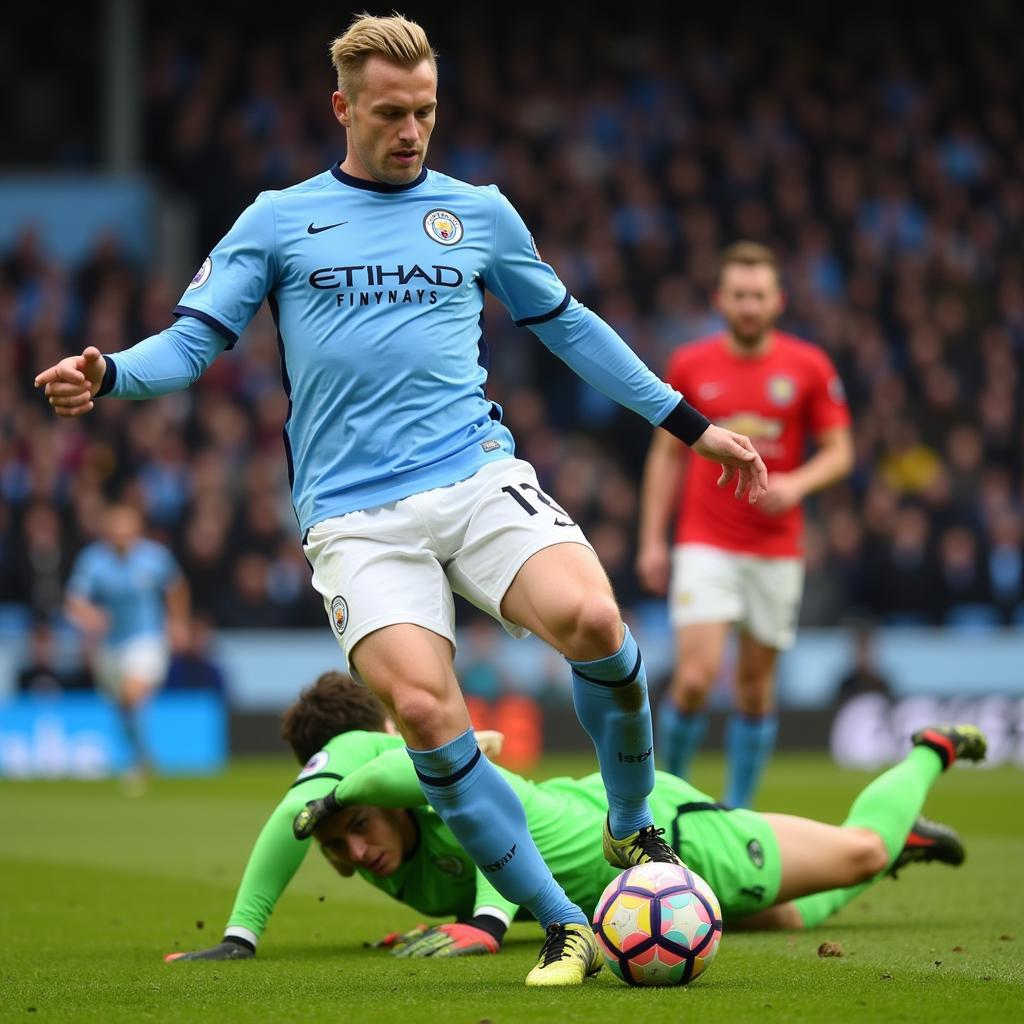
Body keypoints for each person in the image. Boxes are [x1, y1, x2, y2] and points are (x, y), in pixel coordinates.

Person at [34, 14, 767, 986]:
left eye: (424, 110)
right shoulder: (278, 218)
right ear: (342, 108)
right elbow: (194, 340)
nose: (412, 129)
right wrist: (112, 372)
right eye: (390, 113)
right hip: (354, 517)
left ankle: (631, 825)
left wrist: (690, 424)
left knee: (594, 619)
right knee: (425, 711)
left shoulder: (479, 212)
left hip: (474, 476)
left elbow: (572, 329)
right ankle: (561, 924)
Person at [167, 673, 985, 963]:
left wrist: (486, 925)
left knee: (857, 847)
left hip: (663, 838)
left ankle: (929, 751)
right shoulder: (375, 833)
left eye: (357, 820)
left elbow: (498, 837)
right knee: (780, 918)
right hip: (616, 877)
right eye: (338, 843)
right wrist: (243, 937)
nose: (354, 847)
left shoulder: (433, 789)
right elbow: (302, 820)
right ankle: (900, 848)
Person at [637, 241, 853, 808]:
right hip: (705, 541)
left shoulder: (808, 366)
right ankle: (667, 800)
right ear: (721, 300)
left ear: (778, 300)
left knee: (755, 691)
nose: (749, 305)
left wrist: (798, 485)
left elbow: (840, 451)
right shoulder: (690, 362)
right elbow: (665, 456)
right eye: (739, 295)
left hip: (776, 548)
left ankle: (736, 811)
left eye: (759, 295)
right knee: (694, 680)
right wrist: (651, 540)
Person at [65, 504, 189, 782]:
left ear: (137, 531)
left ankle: (139, 763)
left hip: (147, 638)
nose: (122, 537)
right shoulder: (92, 561)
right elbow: (74, 601)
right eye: (116, 532)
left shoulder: (155, 557)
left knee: (132, 694)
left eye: (127, 531)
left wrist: (177, 622)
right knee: (122, 704)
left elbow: (176, 587)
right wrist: (90, 616)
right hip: (109, 644)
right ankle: (141, 757)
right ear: (107, 534)